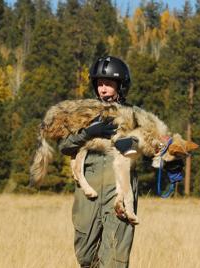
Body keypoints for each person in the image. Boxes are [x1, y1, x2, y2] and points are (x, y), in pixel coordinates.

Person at [58, 56, 137, 268]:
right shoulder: (84, 114)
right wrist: (87, 132)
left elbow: (150, 144)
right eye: (100, 84)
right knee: (85, 256)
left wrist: (169, 160)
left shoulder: (134, 116)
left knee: (114, 261)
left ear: (121, 86)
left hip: (117, 195)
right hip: (88, 196)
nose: (103, 90)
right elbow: (64, 145)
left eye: (109, 84)